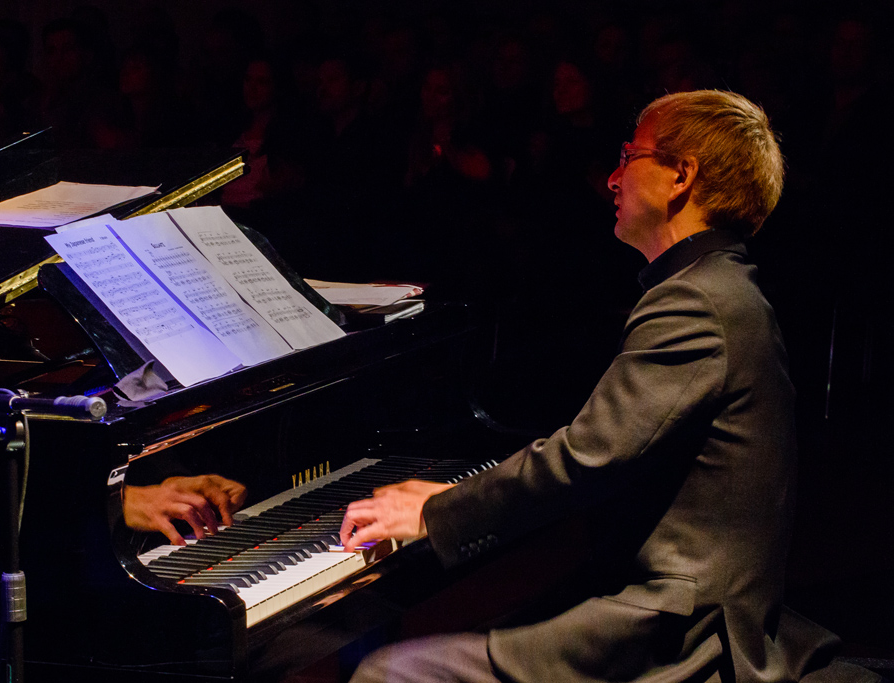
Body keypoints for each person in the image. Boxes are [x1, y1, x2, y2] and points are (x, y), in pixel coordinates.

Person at [340, 90, 872, 682]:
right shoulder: (721, 286)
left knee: (392, 674)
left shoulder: (696, 301)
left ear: (680, 175)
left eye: (629, 155)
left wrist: (439, 511)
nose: (613, 178)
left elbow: (588, 456)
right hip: (672, 600)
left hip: (681, 631)